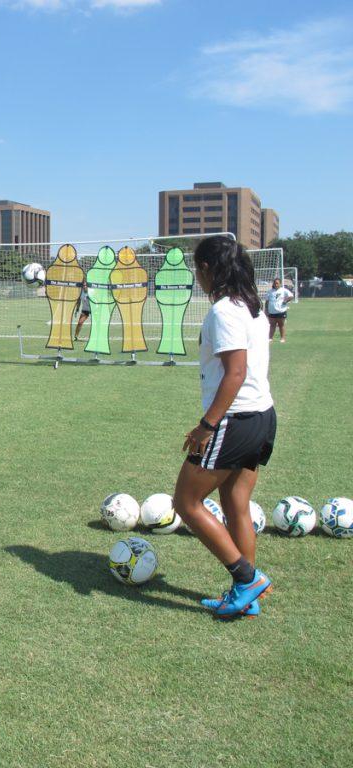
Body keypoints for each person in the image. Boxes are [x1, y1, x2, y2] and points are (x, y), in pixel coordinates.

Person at [172, 236, 276, 619]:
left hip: (235, 421)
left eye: (195, 269)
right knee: (236, 505)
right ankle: (245, 596)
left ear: (206, 269)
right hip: (262, 417)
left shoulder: (224, 311)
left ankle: (247, 579)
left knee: (186, 502)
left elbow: (236, 372)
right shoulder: (253, 307)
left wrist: (206, 425)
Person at [265, 278, 294, 343]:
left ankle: (282, 338)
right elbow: (267, 301)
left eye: (277, 283)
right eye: (275, 283)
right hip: (272, 311)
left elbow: (291, 296)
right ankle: (270, 338)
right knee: (272, 325)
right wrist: (266, 310)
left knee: (281, 325)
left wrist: (286, 300)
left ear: (280, 284)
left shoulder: (284, 290)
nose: (276, 284)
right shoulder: (270, 291)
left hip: (281, 311)